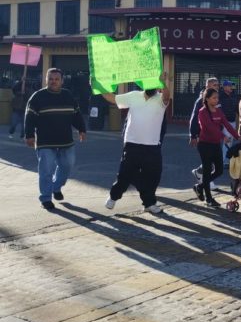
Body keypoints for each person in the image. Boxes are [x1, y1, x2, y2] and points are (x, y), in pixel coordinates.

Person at [99, 74, 171, 214]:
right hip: (132, 143)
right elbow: (112, 98)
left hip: (152, 146)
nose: (151, 86)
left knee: (153, 176)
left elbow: (167, 96)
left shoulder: (160, 99)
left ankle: (149, 203)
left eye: (153, 83)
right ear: (143, 84)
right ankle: (114, 197)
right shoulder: (133, 95)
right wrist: (98, 88)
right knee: (125, 174)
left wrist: (163, 83)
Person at [24, 68, 87, 211]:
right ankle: (45, 198)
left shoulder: (68, 95)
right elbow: (29, 117)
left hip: (66, 141)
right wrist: (29, 135)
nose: (53, 81)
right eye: (50, 79)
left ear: (62, 81)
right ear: (46, 80)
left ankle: (56, 186)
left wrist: (82, 129)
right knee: (46, 170)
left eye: (56, 79)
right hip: (45, 142)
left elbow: (76, 115)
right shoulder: (37, 97)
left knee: (68, 165)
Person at [195, 87, 241, 208]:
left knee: (219, 170)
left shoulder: (219, 111)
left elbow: (227, 124)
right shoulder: (202, 112)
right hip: (205, 145)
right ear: (207, 99)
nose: (216, 100)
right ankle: (209, 199)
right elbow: (209, 127)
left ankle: (200, 186)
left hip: (215, 144)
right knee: (206, 171)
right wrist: (223, 136)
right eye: (214, 98)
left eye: (217, 98)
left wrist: (238, 136)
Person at [189, 77, 220, 189]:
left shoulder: (216, 99)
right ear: (207, 87)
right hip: (203, 136)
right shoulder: (200, 101)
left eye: (217, 85)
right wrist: (193, 135)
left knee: (212, 160)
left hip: (214, 135)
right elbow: (193, 119)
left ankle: (199, 173)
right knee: (208, 160)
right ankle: (205, 183)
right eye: (214, 85)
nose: (217, 87)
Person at [218, 80, 239, 167]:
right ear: (224, 87)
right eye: (229, 86)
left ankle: (226, 159)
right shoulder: (220, 96)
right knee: (227, 140)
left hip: (232, 121)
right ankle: (224, 160)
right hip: (224, 122)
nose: (231, 88)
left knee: (230, 141)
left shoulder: (234, 96)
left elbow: (237, 109)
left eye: (231, 86)